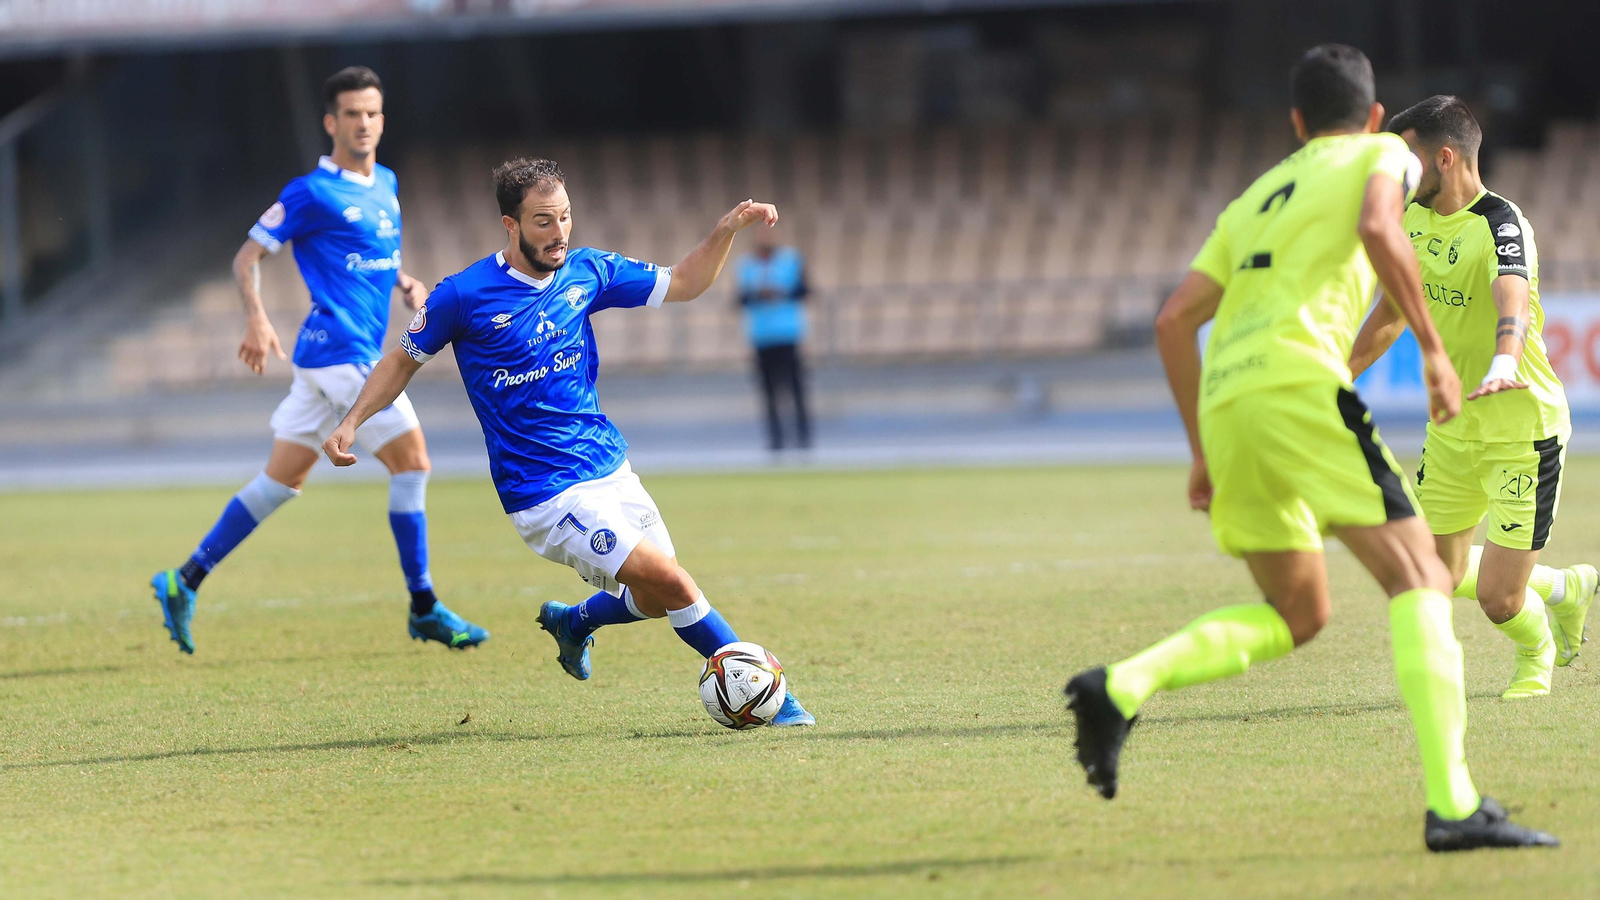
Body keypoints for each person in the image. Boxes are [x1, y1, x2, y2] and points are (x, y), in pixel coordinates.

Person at [1064, 45, 1556, 851]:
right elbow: (1376, 225)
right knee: (1422, 578)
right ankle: (1454, 805)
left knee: (1297, 611)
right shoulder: (1381, 156)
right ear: (1373, 118)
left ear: (1296, 122)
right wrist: (1435, 352)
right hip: (1301, 384)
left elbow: (1173, 322)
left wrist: (1202, 451)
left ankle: (1120, 685)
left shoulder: (1254, 199)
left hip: (1229, 402)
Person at [320, 158, 815, 726]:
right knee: (674, 584)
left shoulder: (587, 271)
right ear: (510, 225)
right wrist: (351, 421)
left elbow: (684, 282)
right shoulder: (462, 295)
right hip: (544, 492)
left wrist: (724, 231)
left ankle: (574, 622)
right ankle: (771, 696)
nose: (559, 233)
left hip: (609, 465)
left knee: (656, 599)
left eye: (565, 217)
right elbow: (400, 362)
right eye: (543, 222)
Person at [148, 66, 488, 654]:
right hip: (341, 352)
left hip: (328, 358)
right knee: (413, 464)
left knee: (281, 480)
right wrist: (257, 319)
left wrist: (403, 281)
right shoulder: (310, 192)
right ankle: (425, 607)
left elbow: (370, 256)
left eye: (372, 113)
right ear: (331, 122)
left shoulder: (386, 182)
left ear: (382, 119)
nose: (363, 123)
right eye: (352, 114)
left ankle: (184, 580)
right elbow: (246, 258)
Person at [1349, 95, 1595, 699]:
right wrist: (1336, 373)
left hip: (1522, 430)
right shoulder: (1410, 218)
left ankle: (1536, 649)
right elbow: (1392, 311)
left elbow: (1513, 298)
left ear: (1446, 158)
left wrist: (1504, 359)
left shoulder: (1502, 224)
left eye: (1408, 158)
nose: (1398, 173)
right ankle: (1564, 586)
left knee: (1498, 600)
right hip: (1453, 428)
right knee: (1435, 574)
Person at [736, 227, 812, 450]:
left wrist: (780, 292)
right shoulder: (746, 265)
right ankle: (776, 439)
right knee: (769, 391)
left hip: (787, 333)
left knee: (795, 388)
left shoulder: (790, 260)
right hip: (762, 336)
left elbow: (804, 290)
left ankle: (803, 436)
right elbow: (740, 298)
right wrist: (758, 294)